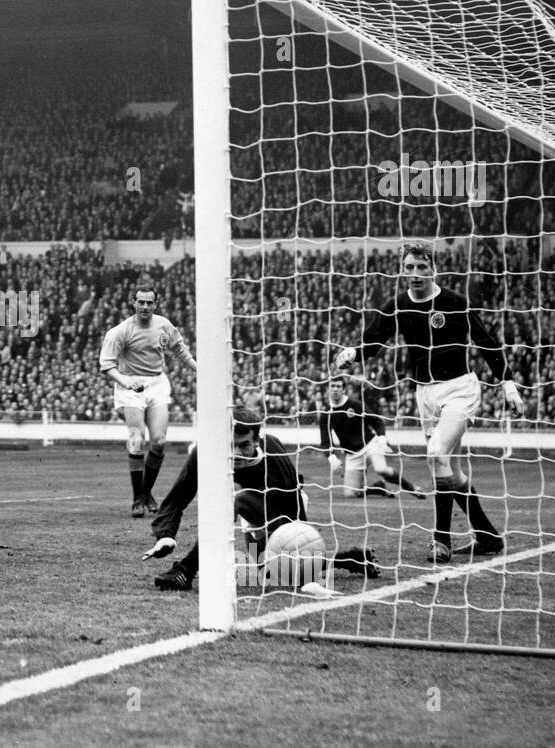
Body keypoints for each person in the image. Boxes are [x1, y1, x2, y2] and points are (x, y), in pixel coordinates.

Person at [334, 242, 523, 563]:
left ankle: (441, 540)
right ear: (402, 271)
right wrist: (353, 353)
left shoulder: (452, 302)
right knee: (452, 470)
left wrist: (507, 382)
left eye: (422, 268)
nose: (415, 274)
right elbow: (374, 341)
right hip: (425, 395)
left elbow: (486, 341)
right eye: (409, 268)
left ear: (433, 269)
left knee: (436, 454)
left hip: (460, 390)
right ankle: (488, 537)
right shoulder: (398, 305)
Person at [148, 406, 378, 590]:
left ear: (257, 441)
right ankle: (351, 559)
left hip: (285, 505)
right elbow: (178, 495)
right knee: (265, 570)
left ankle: (186, 569)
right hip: (248, 508)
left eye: (244, 445)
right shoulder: (205, 452)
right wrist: (165, 535)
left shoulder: (274, 455)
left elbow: (295, 505)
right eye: (231, 445)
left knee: (286, 571)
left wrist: (300, 548)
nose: (236, 453)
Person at [98, 281, 196, 518]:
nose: (144, 306)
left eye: (149, 302)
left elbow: (181, 352)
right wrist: (124, 381)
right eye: (140, 302)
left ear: (156, 304)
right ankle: (137, 499)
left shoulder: (164, 325)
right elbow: (106, 365)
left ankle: (146, 493)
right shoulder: (120, 331)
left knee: (159, 441)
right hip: (130, 385)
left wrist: (199, 369)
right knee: (136, 438)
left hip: (157, 383)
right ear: (134, 303)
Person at [319, 373, 425, 498]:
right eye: (332, 386)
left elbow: (376, 421)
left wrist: (382, 438)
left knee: (380, 469)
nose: (335, 389)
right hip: (352, 454)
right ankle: (379, 488)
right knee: (350, 494)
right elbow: (325, 439)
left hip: (370, 445)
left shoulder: (355, 404)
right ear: (327, 389)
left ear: (344, 389)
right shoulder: (326, 413)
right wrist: (331, 457)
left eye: (338, 386)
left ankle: (411, 488)